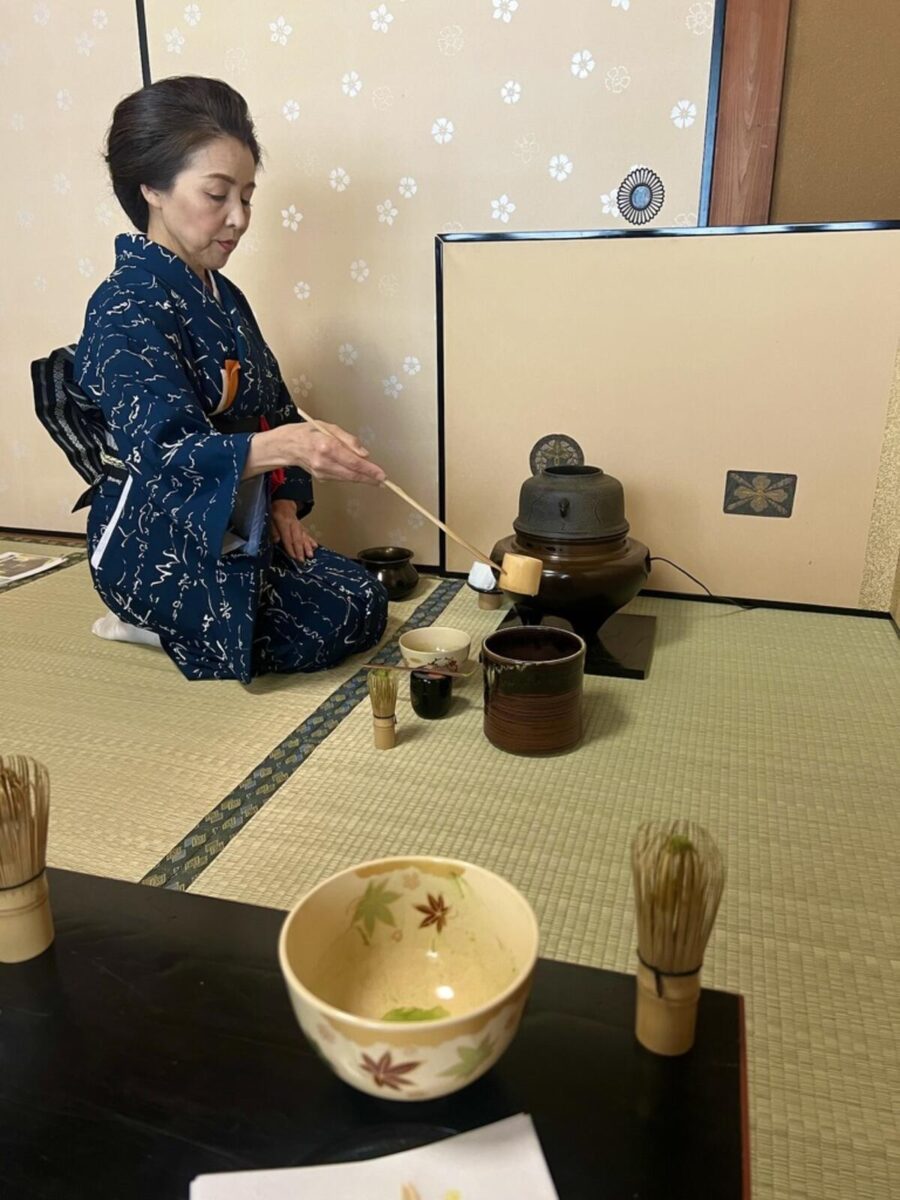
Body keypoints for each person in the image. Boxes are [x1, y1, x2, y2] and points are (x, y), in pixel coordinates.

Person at [74, 76, 389, 682]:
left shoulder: (225, 296)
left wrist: (288, 505)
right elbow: (162, 454)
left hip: (238, 527)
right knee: (318, 627)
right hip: (155, 535)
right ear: (151, 188)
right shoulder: (124, 305)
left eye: (246, 196)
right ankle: (145, 616)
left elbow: (277, 409)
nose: (238, 218)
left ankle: (188, 612)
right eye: (217, 194)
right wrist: (286, 447)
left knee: (361, 596)